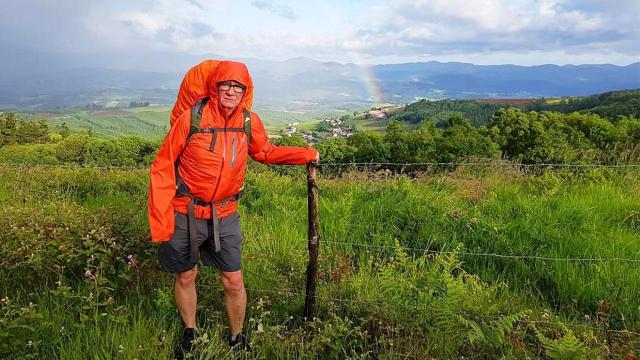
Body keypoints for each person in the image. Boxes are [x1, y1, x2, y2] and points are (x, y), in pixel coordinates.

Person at [148, 60, 318, 355]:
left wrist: (306, 153)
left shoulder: (249, 121)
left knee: (234, 279)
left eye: (237, 86)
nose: (231, 91)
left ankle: (237, 336)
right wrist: (161, 217)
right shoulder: (192, 119)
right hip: (185, 211)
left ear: (245, 91)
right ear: (215, 88)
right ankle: (190, 331)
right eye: (226, 85)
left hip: (225, 214)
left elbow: (264, 151)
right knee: (186, 275)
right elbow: (163, 165)